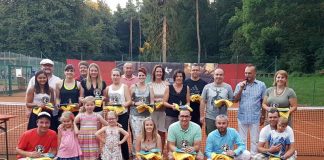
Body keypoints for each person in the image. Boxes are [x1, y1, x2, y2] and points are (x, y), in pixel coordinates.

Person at [234, 64, 266, 155]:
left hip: (255, 117)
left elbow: (263, 102)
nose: (247, 75)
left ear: (255, 73)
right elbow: (235, 100)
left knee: (255, 140)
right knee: (242, 140)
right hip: (242, 116)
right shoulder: (239, 85)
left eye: (249, 73)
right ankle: (244, 156)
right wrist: (241, 89)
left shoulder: (261, 85)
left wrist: (263, 115)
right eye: (246, 73)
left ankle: (253, 156)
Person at [105, 68, 132, 159]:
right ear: (111, 76)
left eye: (117, 75)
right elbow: (106, 103)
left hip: (123, 115)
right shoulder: (108, 88)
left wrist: (123, 105)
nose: (115, 77)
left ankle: (125, 157)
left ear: (120, 77)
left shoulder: (124, 87)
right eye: (114, 75)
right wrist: (109, 105)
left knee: (122, 135)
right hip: (112, 117)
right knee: (112, 135)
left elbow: (129, 101)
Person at [200, 68, 233, 135]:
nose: (218, 76)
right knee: (210, 137)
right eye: (217, 74)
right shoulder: (207, 87)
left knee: (223, 137)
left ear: (223, 76)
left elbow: (231, 100)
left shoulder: (228, 87)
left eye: (220, 75)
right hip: (210, 118)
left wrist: (225, 102)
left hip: (223, 118)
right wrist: (202, 116)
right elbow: (203, 101)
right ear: (213, 75)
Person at [130, 67, 155, 156]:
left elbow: (152, 102)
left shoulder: (150, 87)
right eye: (139, 75)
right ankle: (135, 154)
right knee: (137, 136)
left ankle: (145, 154)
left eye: (143, 75)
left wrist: (148, 106)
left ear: (145, 76)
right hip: (135, 116)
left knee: (146, 135)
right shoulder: (133, 87)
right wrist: (136, 103)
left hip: (146, 116)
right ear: (137, 76)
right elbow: (129, 101)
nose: (141, 77)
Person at [149, 64, 169, 150]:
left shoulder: (167, 84)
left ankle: (160, 152)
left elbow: (166, 98)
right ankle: (152, 150)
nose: (159, 73)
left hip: (164, 112)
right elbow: (151, 99)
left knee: (162, 132)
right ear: (154, 73)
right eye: (157, 71)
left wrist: (161, 101)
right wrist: (159, 101)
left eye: (160, 71)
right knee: (151, 131)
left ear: (163, 73)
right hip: (152, 112)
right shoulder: (150, 84)